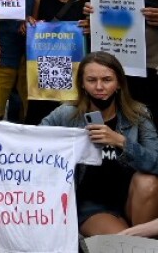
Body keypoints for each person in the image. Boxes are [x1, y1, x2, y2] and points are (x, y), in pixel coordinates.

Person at [41, 51, 158, 236]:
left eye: (107, 79)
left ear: (119, 83)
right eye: (91, 80)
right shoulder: (66, 114)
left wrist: (121, 142)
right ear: (82, 83)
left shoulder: (138, 114)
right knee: (123, 245)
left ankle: (141, 240)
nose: (99, 86)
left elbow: (155, 162)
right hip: (92, 204)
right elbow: (31, 142)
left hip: (131, 200)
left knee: (148, 181)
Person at [26, 0, 89, 125]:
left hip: (76, 74)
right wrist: (29, 25)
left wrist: (93, 29)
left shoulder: (88, 3)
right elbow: (34, 29)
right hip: (44, 75)